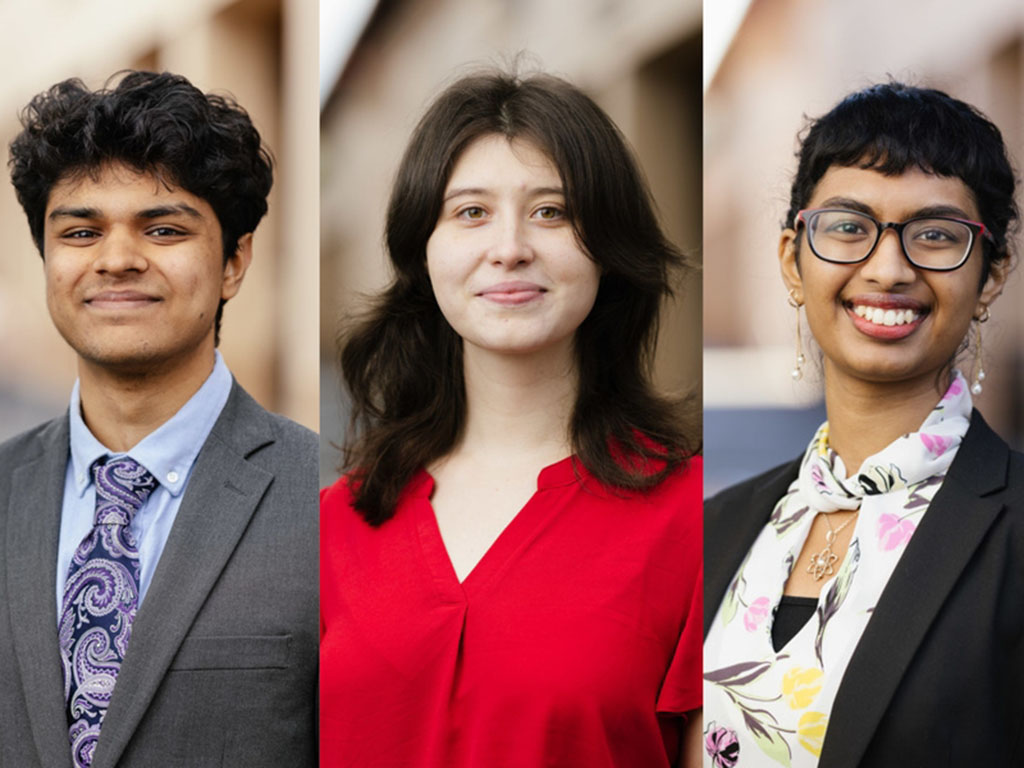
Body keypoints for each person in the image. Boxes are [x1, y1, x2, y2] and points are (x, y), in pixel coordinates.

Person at [320, 70, 703, 768]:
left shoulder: (693, 520)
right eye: (470, 212)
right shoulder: (331, 525)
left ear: (608, 249)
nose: (509, 247)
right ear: (423, 251)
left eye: (552, 211)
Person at [0, 72, 317, 768]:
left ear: (234, 261)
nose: (117, 260)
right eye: (81, 231)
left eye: (164, 228)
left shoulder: (330, 498)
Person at [703, 82, 1024, 767]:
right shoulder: (718, 529)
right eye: (848, 227)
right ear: (794, 260)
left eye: (936, 236)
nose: (888, 268)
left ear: (991, 275)